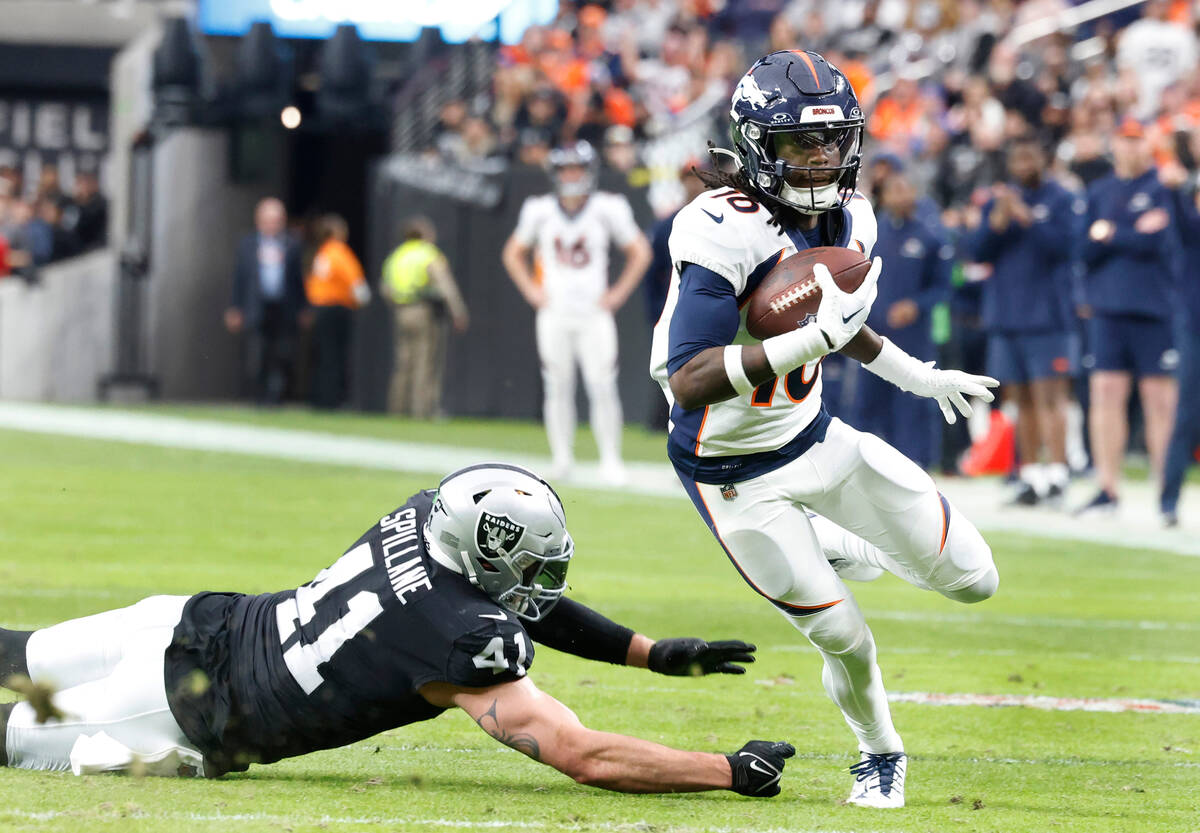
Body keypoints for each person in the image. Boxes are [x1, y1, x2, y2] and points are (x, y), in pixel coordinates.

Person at [0, 463, 794, 798]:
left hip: (192, 618)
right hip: (181, 706)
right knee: (8, 729)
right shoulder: (457, 635)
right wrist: (727, 768)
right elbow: (582, 753)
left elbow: (511, 596)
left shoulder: (426, 513)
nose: (541, 583)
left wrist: (649, 654)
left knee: (13, 649)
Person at [651, 51, 1000, 809]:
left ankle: (845, 543)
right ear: (753, 144)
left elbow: (843, 325)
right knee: (845, 637)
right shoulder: (718, 228)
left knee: (977, 579)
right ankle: (880, 752)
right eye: (796, 143)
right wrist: (812, 340)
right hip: (734, 476)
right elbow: (689, 378)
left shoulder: (853, 214)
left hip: (816, 437)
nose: (818, 157)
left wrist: (919, 375)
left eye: (831, 139)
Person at [502, 141, 652, 484]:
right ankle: (562, 459)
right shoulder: (539, 209)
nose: (571, 175)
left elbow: (640, 251)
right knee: (557, 384)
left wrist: (617, 294)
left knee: (602, 384)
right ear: (555, 174)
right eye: (565, 169)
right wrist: (531, 290)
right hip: (554, 312)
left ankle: (611, 460)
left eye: (577, 168)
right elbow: (513, 252)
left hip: (592, 312)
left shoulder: (607, 207)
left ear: (589, 172)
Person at [966, 137, 1080, 506]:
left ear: (1043, 158)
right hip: (1007, 317)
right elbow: (976, 252)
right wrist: (997, 222)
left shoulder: (1060, 199)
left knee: (1051, 399)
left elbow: (1066, 248)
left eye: (1030, 155)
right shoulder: (998, 202)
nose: (1024, 163)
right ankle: (1031, 477)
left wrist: (1027, 218)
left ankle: (1059, 476)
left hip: (1048, 317)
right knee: (1022, 400)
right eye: (1018, 157)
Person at [1076, 118, 1180, 515]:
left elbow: (1161, 241)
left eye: (1138, 141)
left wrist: (1111, 234)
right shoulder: (1099, 191)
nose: (1131, 148)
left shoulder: (1162, 188)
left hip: (1155, 307)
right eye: (1125, 140)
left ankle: (1164, 491)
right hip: (1107, 308)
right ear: (1114, 144)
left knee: (1159, 400)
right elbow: (1083, 249)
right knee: (1105, 394)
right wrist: (1128, 233)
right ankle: (1108, 488)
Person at [851, 170, 952, 469]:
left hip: (914, 334)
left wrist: (915, 305)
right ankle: (872, 465)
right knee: (870, 399)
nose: (899, 195)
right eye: (893, 190)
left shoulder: (930, 235)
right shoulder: (872, 234)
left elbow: (944, 288)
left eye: (904, 189)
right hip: (873, 333)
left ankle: (918, 463)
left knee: (914, 399)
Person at [382, 217, 469, 418]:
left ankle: (397, 410)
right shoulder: (427, 254)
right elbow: (445, 284)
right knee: (426, 361)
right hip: (423, 310)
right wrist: (458, 311)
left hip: (401, 311)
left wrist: (398, 304)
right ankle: (423, 410)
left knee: (403, 362)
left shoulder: (397, 256)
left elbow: (385, 288)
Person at [225, 198, 307, 405]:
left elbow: (298, 279)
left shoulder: (292, 244)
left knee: (281, 354)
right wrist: (235, 307)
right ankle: (258, 396)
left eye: (276, 220)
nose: (272, 224)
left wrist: (304, 308)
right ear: (259, 221)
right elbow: (240, 277)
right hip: (257, 307)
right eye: (268, 220)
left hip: (283, 307)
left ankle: (276, 397)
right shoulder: (247, 244)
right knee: (257, 353)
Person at [1160, 162, 1200, 527]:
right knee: (1187, 415)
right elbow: (1185, 223)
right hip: (1195, 330)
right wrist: (1174, 192)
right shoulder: (1191, 229)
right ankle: (1169, 500)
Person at [306, 214, 370, 410]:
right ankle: (332, 400)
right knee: (335, 356)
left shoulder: (321, 253)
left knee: (322, 355)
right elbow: (355, 281)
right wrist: (365, 301)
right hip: (336, 308)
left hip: (318, 308)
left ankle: (319, 399)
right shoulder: (338, 252)